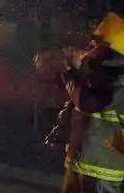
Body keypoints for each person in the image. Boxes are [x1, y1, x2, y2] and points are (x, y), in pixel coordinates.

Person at [37, 11, 124, 192]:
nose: (90, 47)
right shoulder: (99, 75)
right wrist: (62, 125)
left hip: (104, 173)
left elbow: (87, 101)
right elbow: (75, 99)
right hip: (79, 163)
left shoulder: (120, 83)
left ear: (111, 52)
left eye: (96, 43)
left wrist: (70, 70)